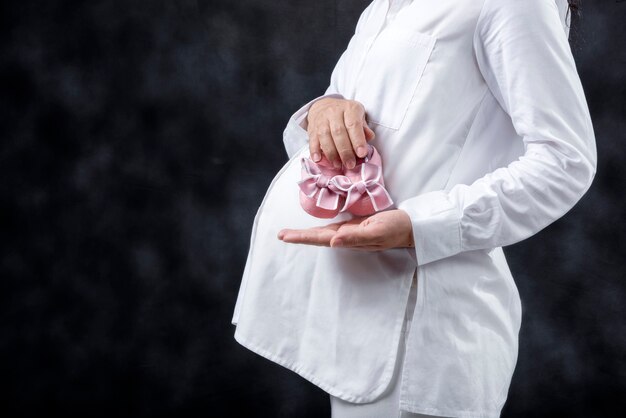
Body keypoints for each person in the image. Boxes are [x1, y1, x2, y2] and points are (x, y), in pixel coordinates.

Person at [232, 0, 597, 416]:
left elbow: (566, 161)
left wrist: (417, 226)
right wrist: (325, 110)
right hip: (354, 322)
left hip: (421, 339)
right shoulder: (382, 8)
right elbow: (359, 120)